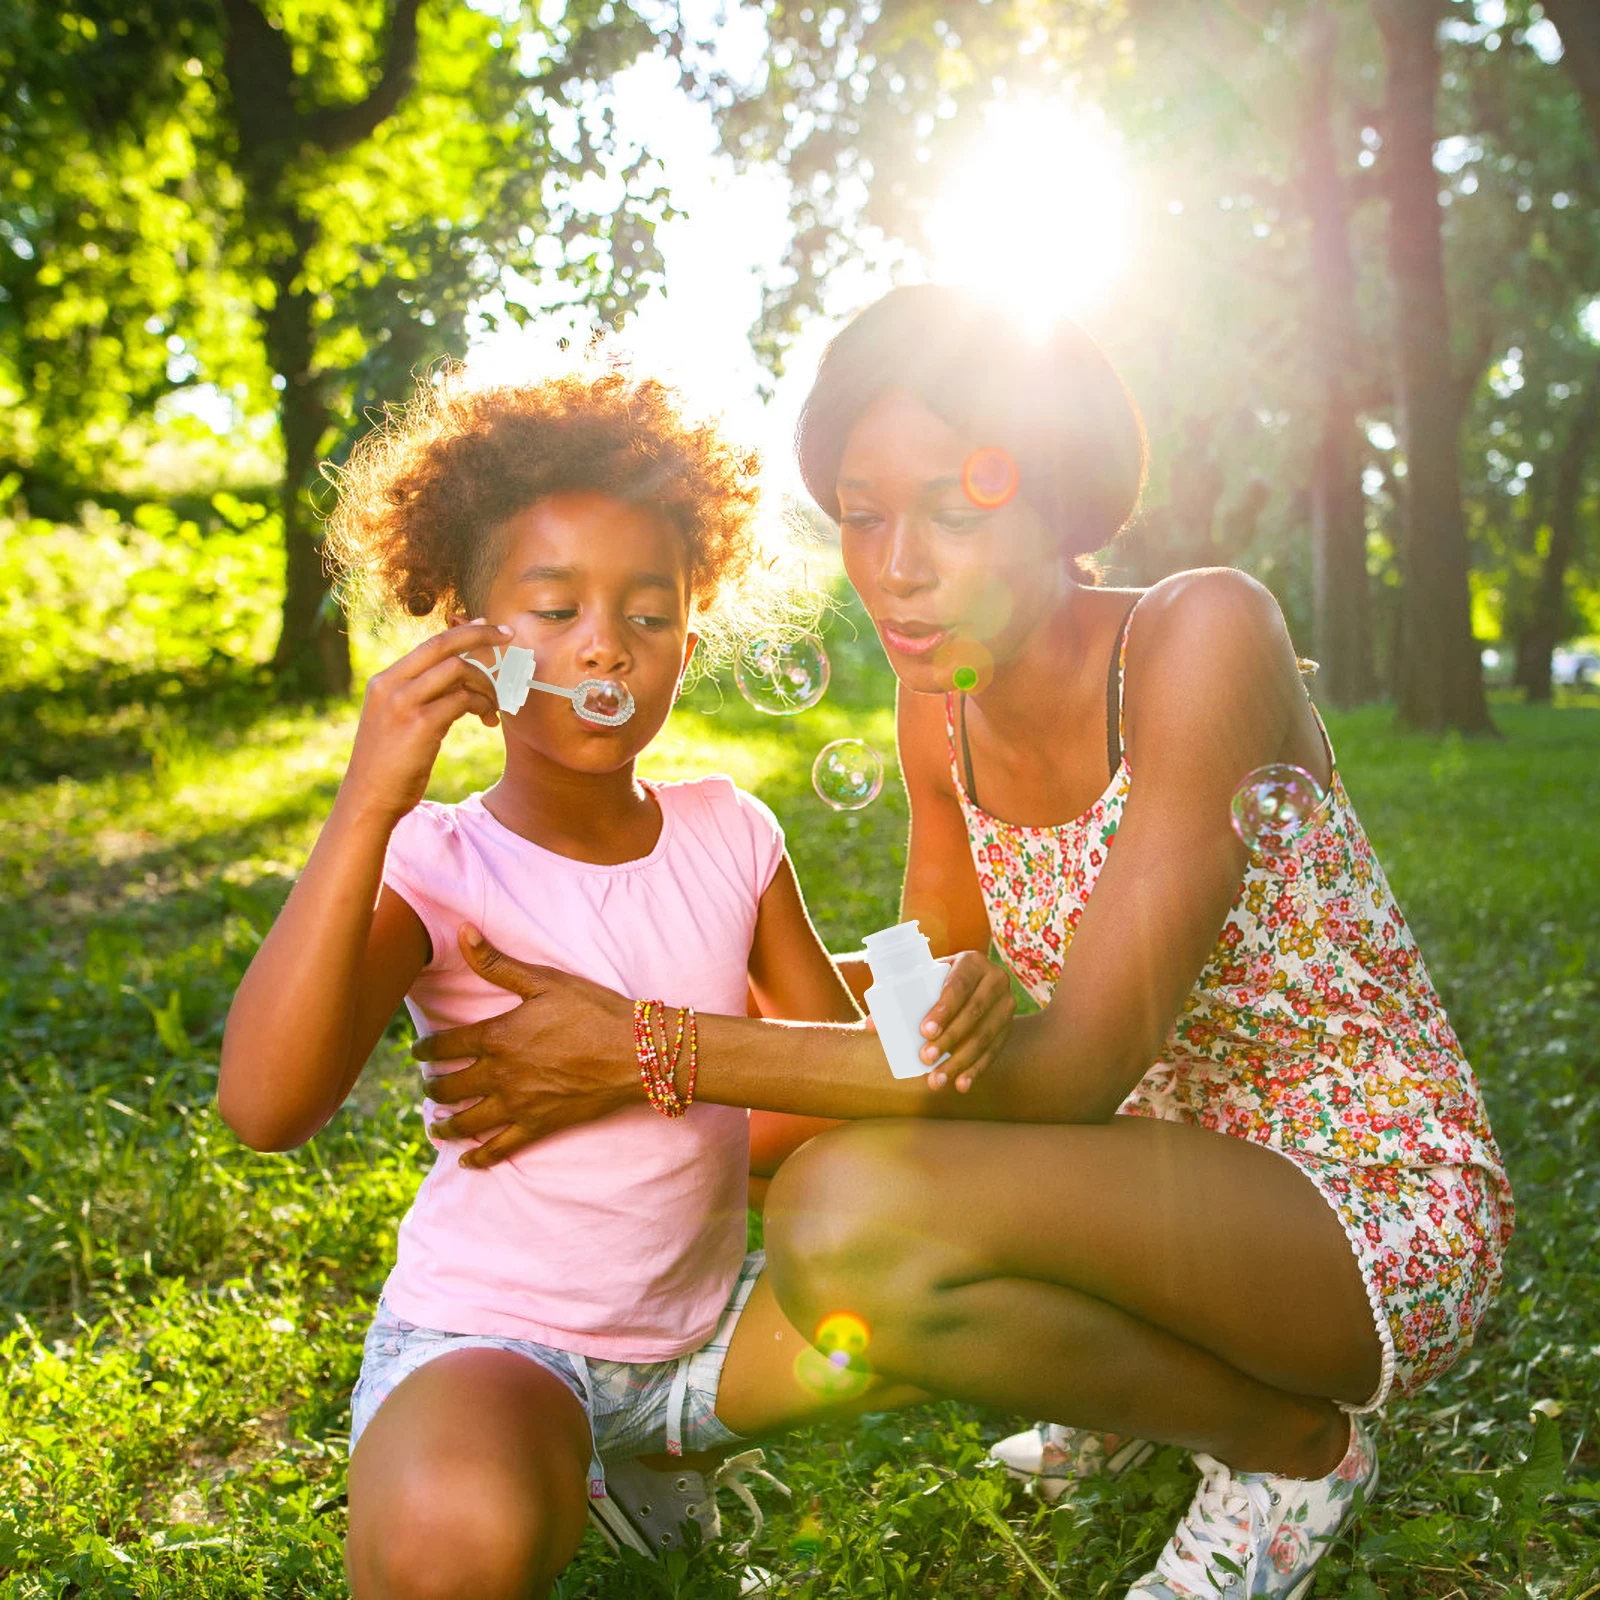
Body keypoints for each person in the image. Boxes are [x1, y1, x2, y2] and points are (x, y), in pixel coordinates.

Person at [411, 288, 1514, 1599]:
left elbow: (1069, 1072)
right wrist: (667, 999)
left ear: (1060, 497)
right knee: (778, 1148)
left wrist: (648, 1048)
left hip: (1359, 1208)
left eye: (954, 509)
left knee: (845, 1210)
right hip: (1149, 1180)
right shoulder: (938, 706)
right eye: (864, 515)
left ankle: (1291, 1450)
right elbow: (916, 1019)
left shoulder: (1202, 635)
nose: (897, 567)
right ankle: (1099, 1390)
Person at [215, 363, 1012, 1600]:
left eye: (647, 613)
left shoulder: (732, 834)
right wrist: (368, 800)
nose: (603, 645)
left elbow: (821, 1104)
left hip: (709, 1345)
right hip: (498, 1338)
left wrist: (641, 1064)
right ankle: (548, 1456)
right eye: (553, 608)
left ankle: (646, 1461)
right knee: (456, 1537)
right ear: (471, 638)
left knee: (1002, 1277)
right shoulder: (439, 863)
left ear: (690, 638)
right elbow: (266, 1107)